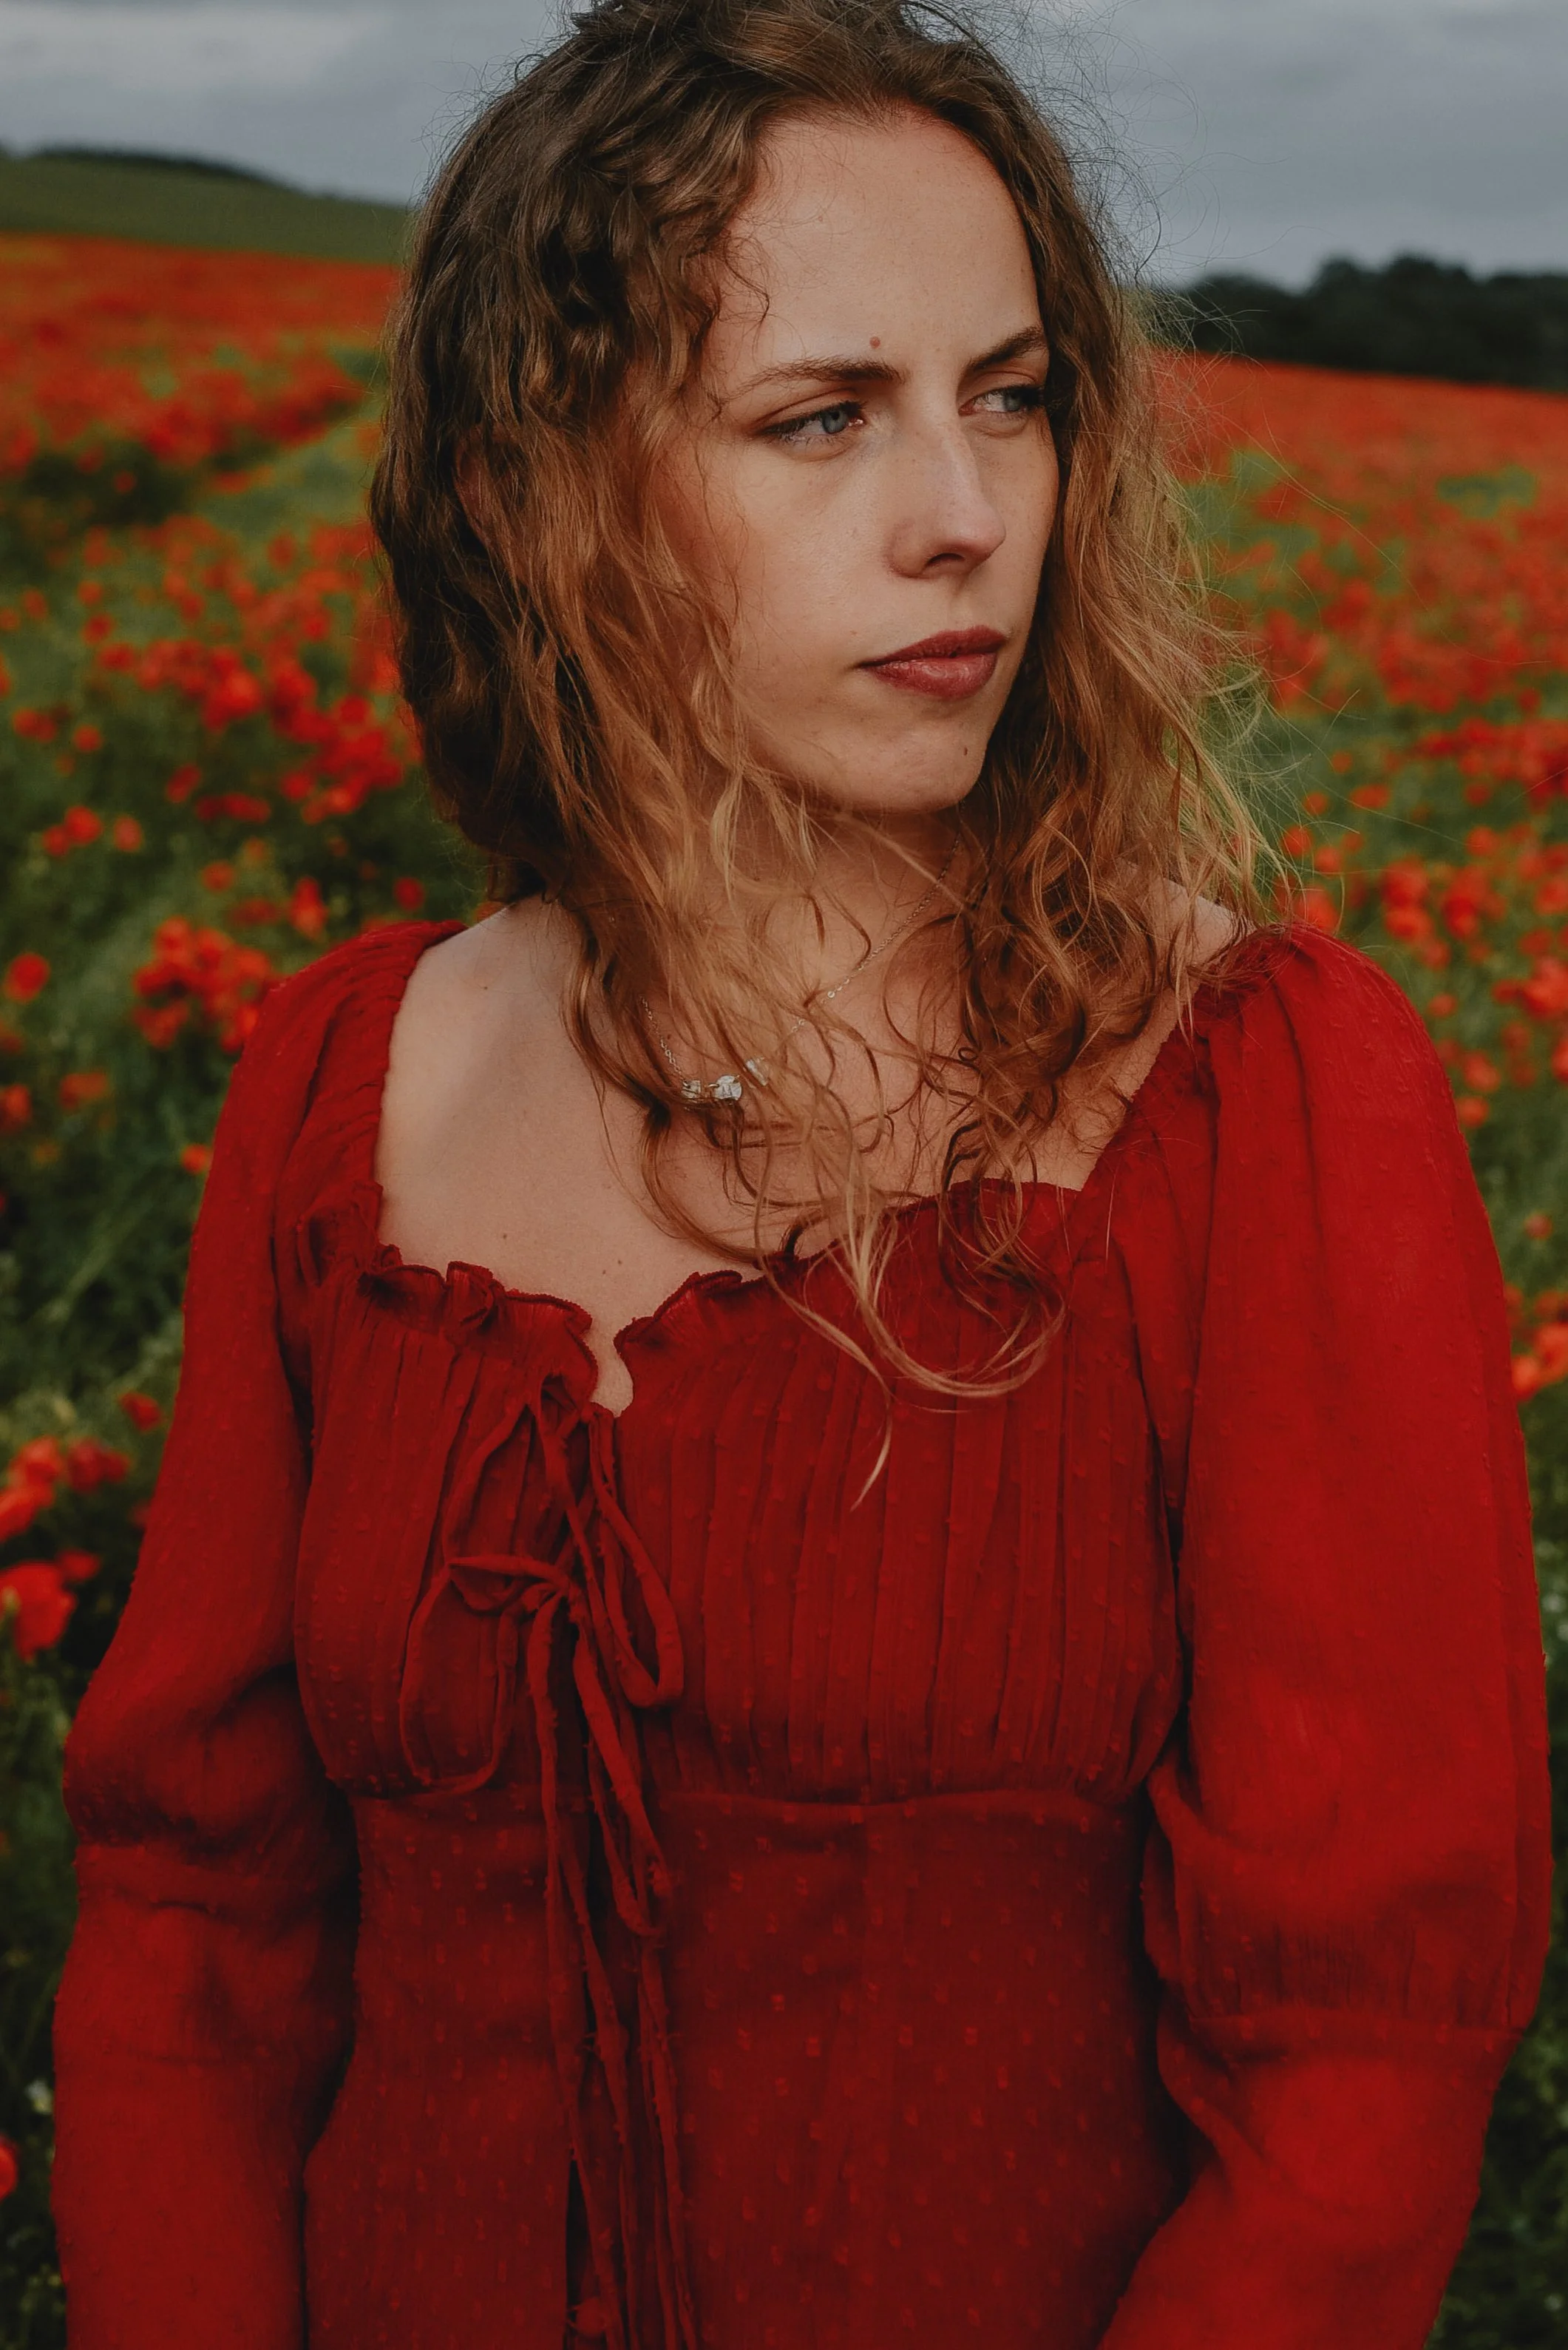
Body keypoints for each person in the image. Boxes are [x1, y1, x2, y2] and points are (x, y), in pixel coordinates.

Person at [50, 2, 1551, 2346]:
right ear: (526, 493)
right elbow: (194, 1937)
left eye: (1014, 391)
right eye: (822, 415)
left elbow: (1353, 2072)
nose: (964, 510)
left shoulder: (1262, 1092)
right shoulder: (345, 1083)